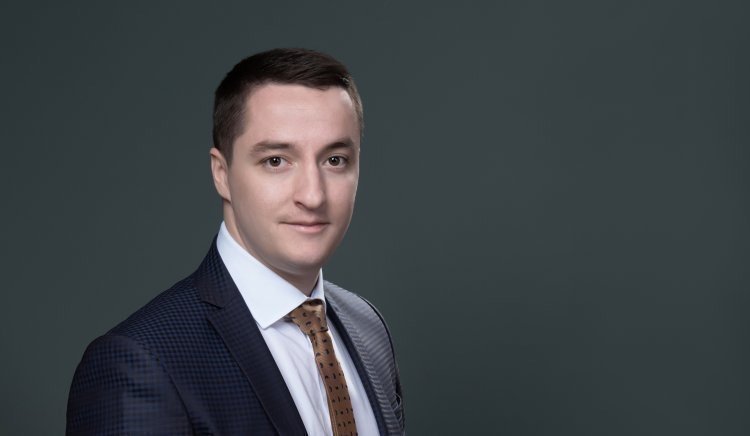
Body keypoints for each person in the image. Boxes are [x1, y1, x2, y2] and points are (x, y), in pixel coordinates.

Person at [66, 48, 404, 436]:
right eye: (276, 161)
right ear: (221, 174)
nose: (313, 196)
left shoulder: (368, 328)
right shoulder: (141, 362)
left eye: (335, 160)